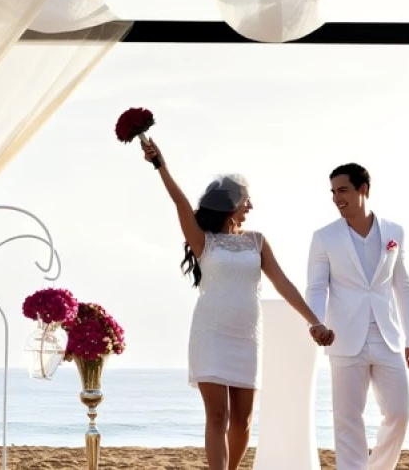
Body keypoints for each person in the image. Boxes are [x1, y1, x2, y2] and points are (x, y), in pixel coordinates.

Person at [141, 139, 332, 470]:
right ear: (230, 202)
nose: (251, 206)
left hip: (246, 338)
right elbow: (180, 202)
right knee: (217, 415)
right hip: (211, 334)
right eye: (246, 199)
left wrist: (314, 321)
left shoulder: (257, 241)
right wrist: (161, 164)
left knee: (242, 422)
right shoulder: (203, 240)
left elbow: (283, 283)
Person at [305, 163, 409, 470]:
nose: (336, 198)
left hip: (388, 337)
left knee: (399, 413)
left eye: (343, 190)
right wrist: (315, 323)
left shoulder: (394, 232)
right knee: (347, 420)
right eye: (333, 192)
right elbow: (316, 287)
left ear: (363, 190)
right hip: (343, 337)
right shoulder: (324, 237)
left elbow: (403, 285)